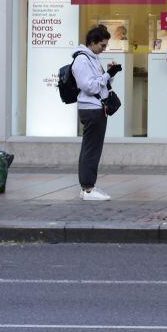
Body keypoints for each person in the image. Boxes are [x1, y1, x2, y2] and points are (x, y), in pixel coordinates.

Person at [73, 25, 122, 201]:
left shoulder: (91, 58)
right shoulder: (82, 60)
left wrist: (110, 74)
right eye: (102, 45)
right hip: (91, 109)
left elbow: (101, 85)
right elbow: (89, 86)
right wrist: (107, 75)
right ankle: (87, 188)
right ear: (92, 42)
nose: (104, 49)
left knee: (92, 148)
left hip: (96, 108)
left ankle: (88, 186)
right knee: (91, 149)